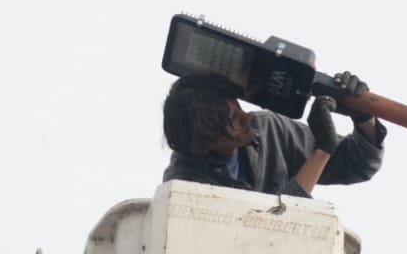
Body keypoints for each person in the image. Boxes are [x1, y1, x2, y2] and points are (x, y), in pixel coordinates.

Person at [160, 72, 386, 198]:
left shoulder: (268, 131)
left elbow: (358, 164)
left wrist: (363, 117)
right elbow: (268, 230)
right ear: (206, 141)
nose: (247, 118)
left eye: (239, 108)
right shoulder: (185, 188)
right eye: (234, 120)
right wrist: (322, 151)